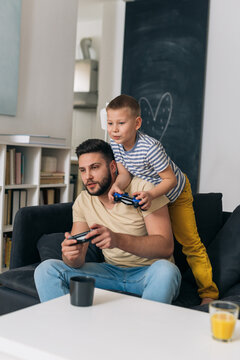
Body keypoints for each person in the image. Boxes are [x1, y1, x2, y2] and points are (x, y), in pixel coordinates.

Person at [34, 139, 181, 304]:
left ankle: (145, 328)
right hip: (109, 272)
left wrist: (117, 240)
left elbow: (165, 247)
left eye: (94, 168)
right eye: (83, 170)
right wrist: (70, 255)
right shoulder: (83, 201)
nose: (87, 176)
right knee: (46, 270)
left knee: (167, 272)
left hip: (148, 273)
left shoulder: (145, 190)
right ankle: (67, 327)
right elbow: (76, 261)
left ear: (112, 167)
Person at [106, 94, 219, 305]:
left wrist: (150, 195)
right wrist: (117, 186)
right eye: (110, 123)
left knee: (190, 243)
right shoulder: (115, 145)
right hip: (153, 193)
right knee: (150, 238)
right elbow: (124, 174)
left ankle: (209, 293)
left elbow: (171, 180)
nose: (114, 129)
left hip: (174, 192)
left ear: (137, 123)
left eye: (121, 123)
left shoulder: (151, 147)